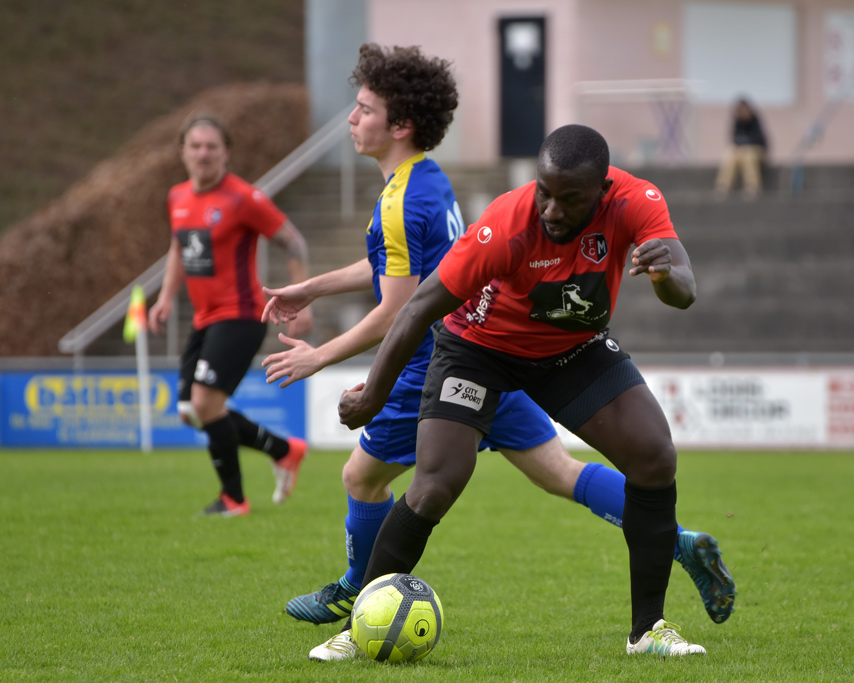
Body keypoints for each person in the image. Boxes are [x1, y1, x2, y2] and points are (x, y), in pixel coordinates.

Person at [258, 46, 735, 659]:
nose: (552, 210)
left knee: (653, 456)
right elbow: (417, 307)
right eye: (545, 193)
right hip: (477, 350)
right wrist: (372, 392)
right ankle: (357, 631)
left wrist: (665, 273)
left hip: (570, 348)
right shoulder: (507, 225)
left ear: (603, 191)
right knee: (436, 483)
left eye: (569, 199)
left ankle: (648, 633)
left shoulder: (637, 202)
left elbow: (683, 290)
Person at [148, 114, 312, 517]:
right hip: (204, 317)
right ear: (183, 151)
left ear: (226, 152)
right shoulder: (178, 197)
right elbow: (178, 247)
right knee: (191, 411)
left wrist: (303, 299)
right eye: (196, 146)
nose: (203, 153)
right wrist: (166, 296)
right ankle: (283, 450)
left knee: (204, 404)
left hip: (241, 314)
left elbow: (294, 243)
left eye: (212, 146)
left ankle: (233, 500)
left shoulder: (243, 198)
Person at [714, 97, 769, 198]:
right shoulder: (737, 122)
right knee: (730, 155)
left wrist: (745, 144)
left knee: (748, 156)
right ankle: (723, 187)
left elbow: (760, 140)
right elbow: (734, 139)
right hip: (741, 151)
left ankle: (752, 187)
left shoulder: (755, 121)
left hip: (756, 151)